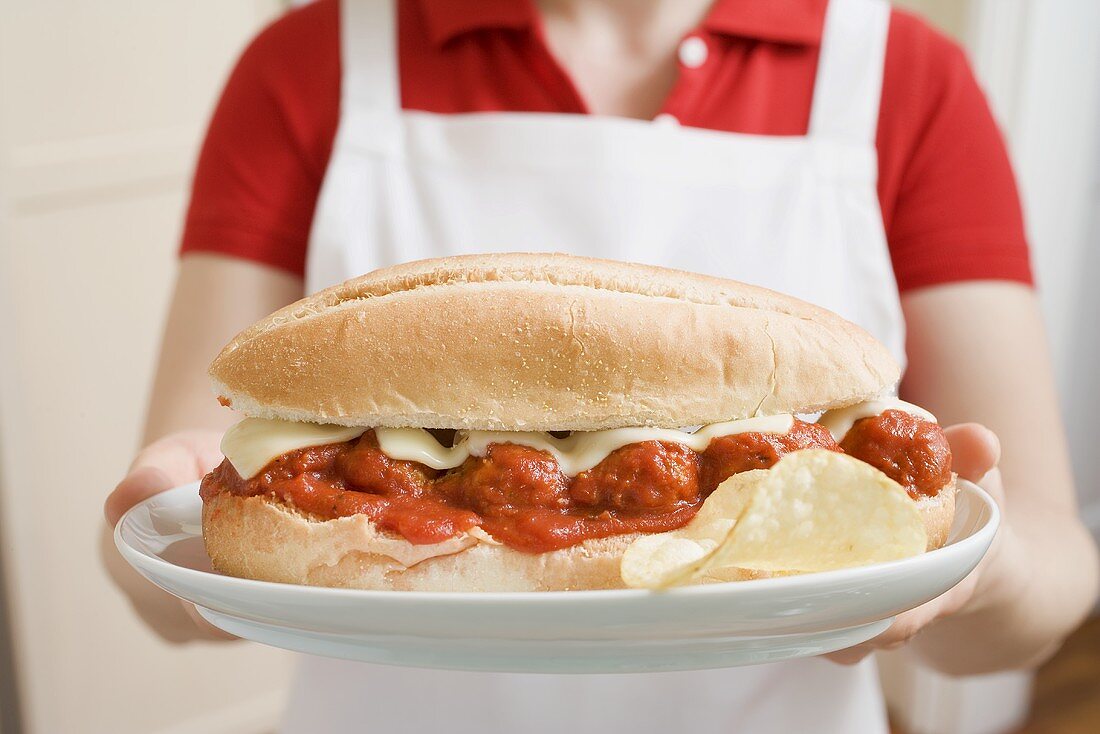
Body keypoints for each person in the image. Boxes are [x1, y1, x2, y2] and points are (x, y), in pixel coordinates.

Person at [104, 0, 1099, 732]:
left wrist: (960, 565)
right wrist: (155, 540)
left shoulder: (905, 76)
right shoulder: (308, 60)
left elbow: (1043, 592)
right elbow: (172, 571)